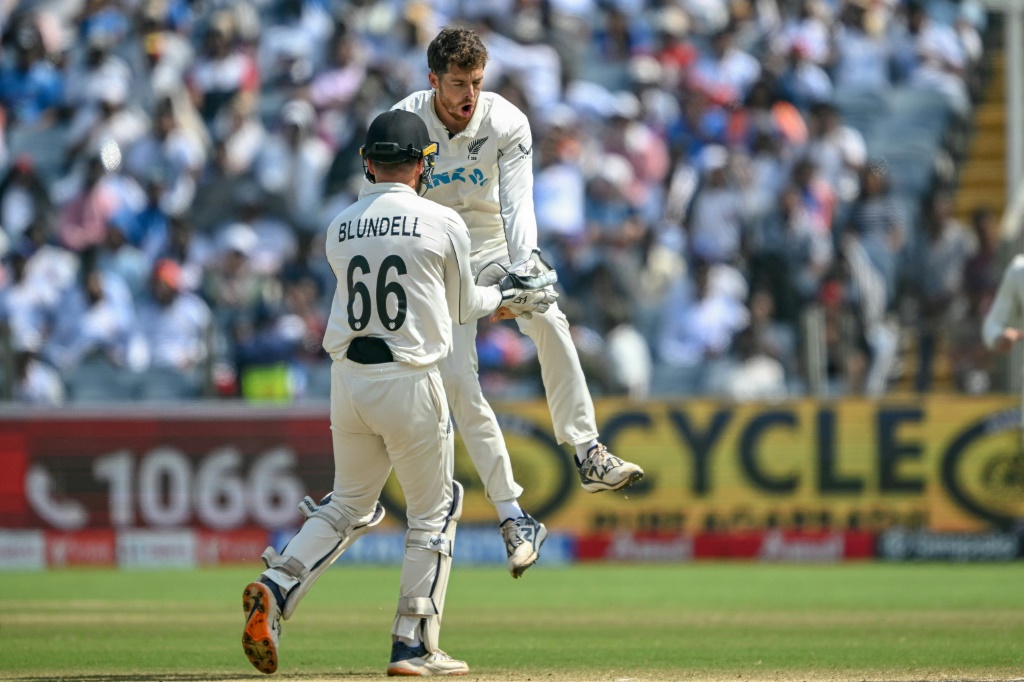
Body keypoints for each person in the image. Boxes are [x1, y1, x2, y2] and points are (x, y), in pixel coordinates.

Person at [241, 110, 557, 677]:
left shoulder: (339, 225)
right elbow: (464, 307)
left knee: (349, 503)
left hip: (349, 381)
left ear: (367, 162)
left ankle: (278, 582)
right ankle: (413, 643)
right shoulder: (442, 222)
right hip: (410, 379)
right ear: (424, 165)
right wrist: (509, 296)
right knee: (436, 509)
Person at [389, 26, 645, 578]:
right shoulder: (404, 121)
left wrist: (520, 278)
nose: (469, 96)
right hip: (431, 258)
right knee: (459, 383)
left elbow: (518, 207)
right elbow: (394, 210)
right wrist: (461, 294)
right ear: (433, 80)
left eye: (477, 82)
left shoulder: (507, 121)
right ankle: (513, 514)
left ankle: (587, 449)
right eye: (457, 84)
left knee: (549, 314)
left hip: (489, 246)